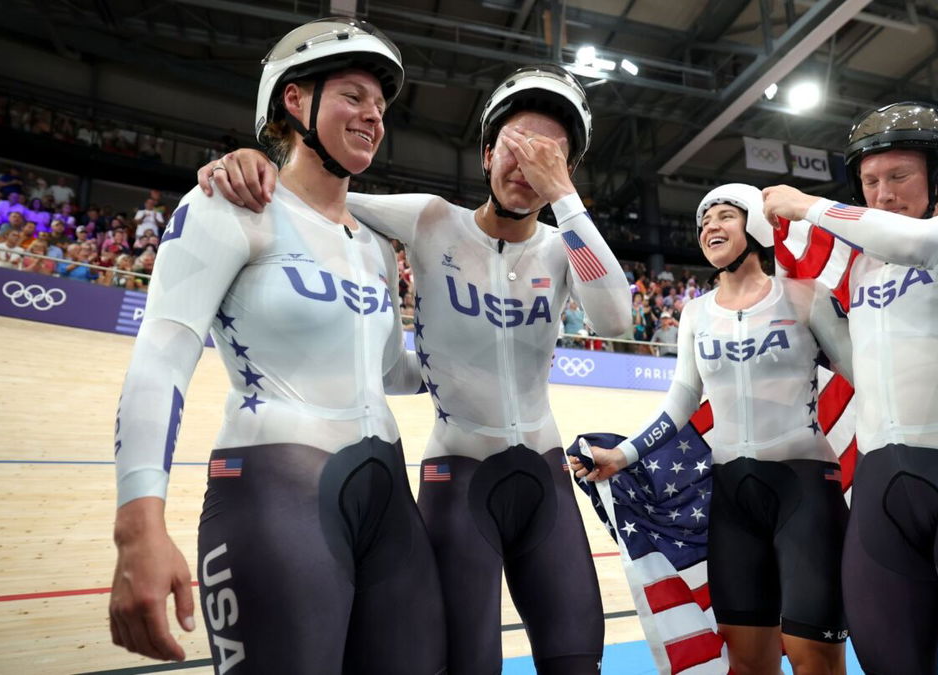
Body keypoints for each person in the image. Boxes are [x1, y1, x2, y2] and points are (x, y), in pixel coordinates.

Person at [197, 63, 630, 674]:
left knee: (577, 659)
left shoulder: (563, 249)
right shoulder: (432, 220)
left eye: (548, 155)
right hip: (458, 478)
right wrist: (255, 162)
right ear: (485, 154)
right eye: (515, 147)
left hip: (546, 473)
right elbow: (317, 190)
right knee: (466, 665)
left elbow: (615, 319)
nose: (527, 165)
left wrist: (565, 198)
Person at [109, 18, 446, 674]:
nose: (373, 115)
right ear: (296, 101)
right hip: (275, 498)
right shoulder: (229, 203)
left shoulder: (376, 244)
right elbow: (161, 354)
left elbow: (388, 372)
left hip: (387, 501)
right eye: (353, 96)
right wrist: (137, 526)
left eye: (380, 106)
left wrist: (485, 359)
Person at [762, 101, 938, 675]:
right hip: (880, 489)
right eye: (869, 181)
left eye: (899, 176)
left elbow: (919, 245)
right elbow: (863, 368)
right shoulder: (866, 264)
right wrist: (812, 308)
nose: (882, 193)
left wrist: (811, 206)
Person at [572, 183, 855, 675]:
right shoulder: (696, 312)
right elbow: (681, 399)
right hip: (732, 497)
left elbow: (870, 377)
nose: (710, 228)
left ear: (758, 228)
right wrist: (624, 456)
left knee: (815, 660)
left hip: (805, 493)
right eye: (704, 223)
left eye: (725, 216)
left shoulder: (807, 297)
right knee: (746, 662)